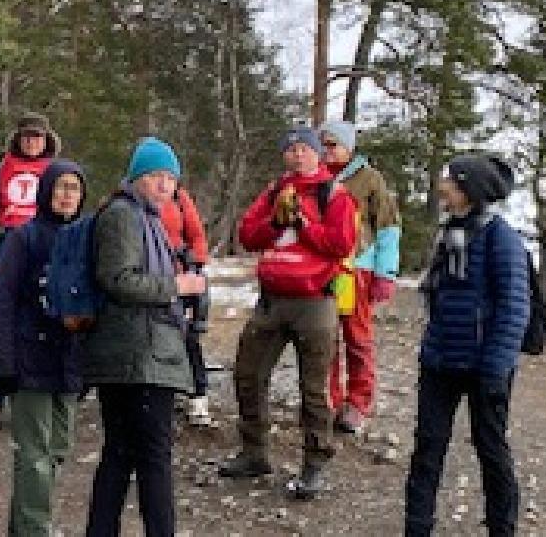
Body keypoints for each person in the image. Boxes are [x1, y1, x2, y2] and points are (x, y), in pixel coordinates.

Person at [220, 127, 359, 500]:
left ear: (317, 154)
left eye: (304, 149)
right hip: (271, 299)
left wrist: (303, 224)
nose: (297, 155)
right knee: (248, 375)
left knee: (313, 388)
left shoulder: (336, 195)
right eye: (291, 149)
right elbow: (247, 235)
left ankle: (315, 464)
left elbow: (342, 244)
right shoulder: (273, 191)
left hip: (315, 301)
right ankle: (254, 453)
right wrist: (277, 223)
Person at [82, 138, 202, 537]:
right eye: (155, 176)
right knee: (151, 458)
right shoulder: (123, 215)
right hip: (136, 354)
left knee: (122, 453)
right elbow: (118, 279)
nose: (165, 185)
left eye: (171, 179)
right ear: (137, 177)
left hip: (141, 351)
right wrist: (177, 286)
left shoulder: (148, 218)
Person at [405, 154, 529, 537]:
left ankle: (502, 530)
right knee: (427, 451)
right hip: (440, 361)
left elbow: (514, 307)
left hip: (484, 367)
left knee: (490, 451)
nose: (443, 187)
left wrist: (495, 369)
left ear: (470, 190)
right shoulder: (449, 232)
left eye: (451, 182)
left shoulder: (501, 238)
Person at [0, 160, 89, 537]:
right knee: (34, 454)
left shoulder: (85, 239)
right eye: (61, 187)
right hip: (30, 356)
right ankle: (36, 529)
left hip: (69, 358)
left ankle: (23, 526)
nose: (67, 195)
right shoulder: (24, 238)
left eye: (74, 189)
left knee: (58, 448)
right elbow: (4, 300)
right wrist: (4, 360)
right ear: (46, 190)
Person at [0, 113, 61, 430]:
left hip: (46, 249)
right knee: (2, 320)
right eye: (26, 137)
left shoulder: (55, 172)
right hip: (9, 247)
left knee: (46, 321)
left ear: (47, 139)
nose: (32, 142)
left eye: (37, 137)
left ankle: (39, 391)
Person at [318, 120, 402, 434]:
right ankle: (328, 398)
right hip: (322, 268)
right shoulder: (315, 177)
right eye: (323, 145)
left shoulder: (370, 180)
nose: (327, 152)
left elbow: (388, 227)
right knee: (325, 335)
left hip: (356, 269)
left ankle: (358, 402)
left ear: (349, 147)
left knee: (356, 336)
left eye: (333, 145)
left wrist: (385, 272)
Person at [156, 182, 214, 428]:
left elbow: (197, 235)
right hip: (147, 281)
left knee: (188, 338)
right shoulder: (125, 201)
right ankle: (162, 394)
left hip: (180, 277)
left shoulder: (178, 197)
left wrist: (195, 264)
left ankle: (198, 394)